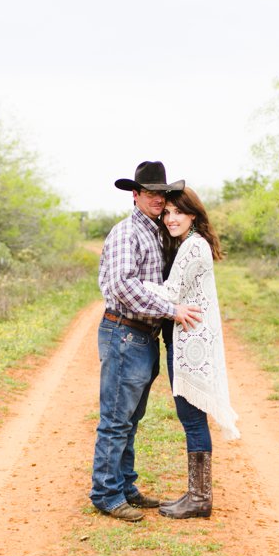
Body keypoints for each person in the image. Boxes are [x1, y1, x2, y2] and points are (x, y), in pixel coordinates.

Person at [90, 161, 203, 522]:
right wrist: (170, 309)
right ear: (135, 194)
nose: (158, 199)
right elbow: (124, 286)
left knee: (130, 417)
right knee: (116, 419)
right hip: (125, 332)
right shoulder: (127, 233)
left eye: (162, 193)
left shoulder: (154, 231)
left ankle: (124, 484)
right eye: (150, 192)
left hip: (141, 336)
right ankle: (106, 493)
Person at [144, 187, 240, 519]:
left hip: (191, 348)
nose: (170, 218)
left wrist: (130, 285)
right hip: (187, 342)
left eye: (177, 213)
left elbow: (170, 292)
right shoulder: (190, 244)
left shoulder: (192, 246)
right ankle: (196, 494)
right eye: (167, 213)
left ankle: (200, 498)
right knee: (191, 419)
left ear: (193, 215)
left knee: (192, 419)